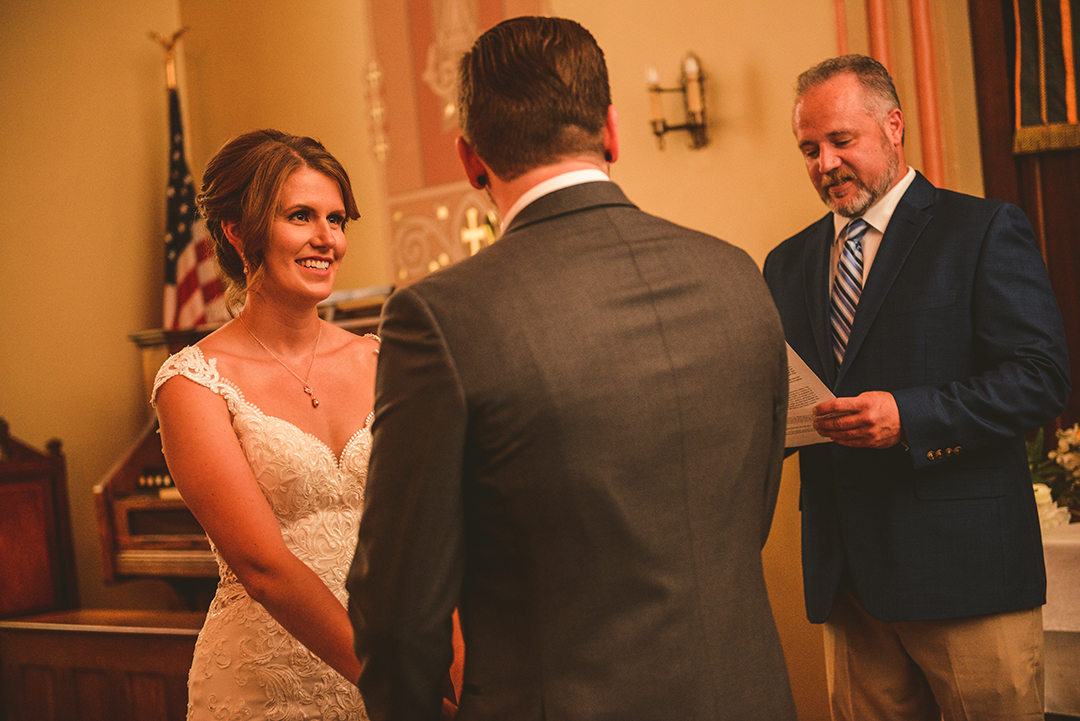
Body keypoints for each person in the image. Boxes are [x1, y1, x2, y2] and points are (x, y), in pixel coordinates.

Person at [347, 15, 797, 721]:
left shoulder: (440, 317)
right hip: (748, 695)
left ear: (470, 158)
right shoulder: (736, 274)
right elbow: (747, 509)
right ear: (612, 132)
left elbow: (401, 611)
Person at [763, 55, 1070, 720]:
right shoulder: (784, 265)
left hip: (967, 576)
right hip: (845, 583)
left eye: (841, 141)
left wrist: (910, 415)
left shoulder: (983, 230)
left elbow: (1041, 379)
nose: (825, 164)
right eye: (809, 148)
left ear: (894, 126)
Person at [153, 129, 376, 720]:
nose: (327, 239)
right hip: (269, 682)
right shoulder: (193, 381)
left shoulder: (383, 361)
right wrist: (393, 676)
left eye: (337, 219)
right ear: (238, 230)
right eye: (301, 217)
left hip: (404, 656)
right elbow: (261, 566)